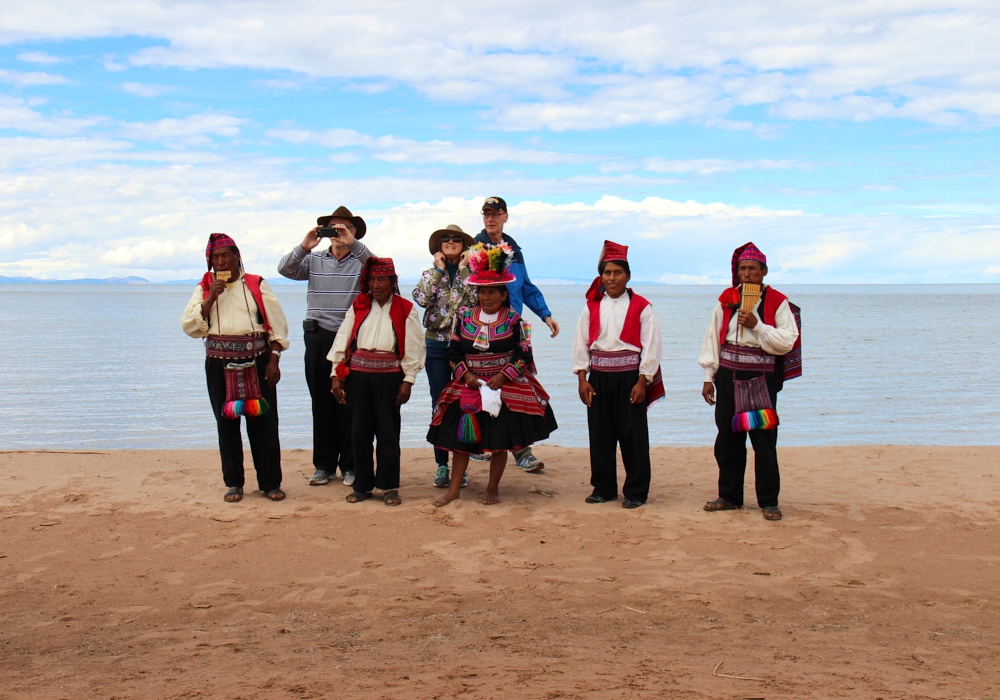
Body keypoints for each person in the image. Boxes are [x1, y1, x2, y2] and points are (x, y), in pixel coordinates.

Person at [426, 243, 558, 507]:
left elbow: (524, 355)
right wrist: (465, 376)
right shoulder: (464, 318)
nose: (487, 297)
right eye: (482, 292)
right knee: (461, 441)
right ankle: (454, 490)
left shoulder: (516, 321)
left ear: (502, 294)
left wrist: (504, 376)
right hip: (470, 384)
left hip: (502, 387)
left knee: (499, 442)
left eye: (492, 292)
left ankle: (492, 489)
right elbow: (452, 352)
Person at [181, 233, 291, 503]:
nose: (220, 262)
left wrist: (275, 358)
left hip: (258, 361)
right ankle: (234, 483)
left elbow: (277, 324)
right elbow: (189, 326)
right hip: (218, 363)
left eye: (225, 256)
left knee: (264, 423)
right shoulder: (204, 287)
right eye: (215, 258)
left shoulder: (256, 284)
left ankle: (269, 482)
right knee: (226, 425)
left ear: (237, 257)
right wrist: (209, 299)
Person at [698, 242, 801, 521]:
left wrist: (757, 325)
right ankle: (730, 496)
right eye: (742, 269)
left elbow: (786, 342)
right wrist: (709, 377)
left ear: (764, 272)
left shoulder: (778, 302)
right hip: (727, 377)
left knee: (763, 441)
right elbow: (712, 340)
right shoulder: (726, 299)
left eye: (753, 269)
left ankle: (769, 501)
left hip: (760, 380)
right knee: (728, 440)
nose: (747, 274)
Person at [277, 206, 374, 488]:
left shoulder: (361, 261)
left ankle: (351, 464)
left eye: (345, 228)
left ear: (355, 233)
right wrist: (305, 244)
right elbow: (285, 269)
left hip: (352, 339)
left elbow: (381, 269)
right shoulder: (314, 259)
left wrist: (353, 244)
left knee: (351, 402)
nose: (338, 233)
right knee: (321, 402)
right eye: (333, 227)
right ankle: (324, 465)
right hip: (317, 336)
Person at [572, 241, 664, 509]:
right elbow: (580, 343)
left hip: (629, 378)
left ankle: (636, 492)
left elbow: (652, 345)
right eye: (607, 273)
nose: (612, 278)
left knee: (632, 434)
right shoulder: (591, 307)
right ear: (601, 276)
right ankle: (603, 488)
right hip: (599, 377)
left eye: (617, 273)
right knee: (600, 434)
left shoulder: (642, 307)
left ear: (628, 276)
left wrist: (643, 380)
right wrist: (582, 378)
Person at [329, 257, 425, 506]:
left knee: (388, 434)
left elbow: (414, 347)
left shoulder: (405, 308)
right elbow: (343, 339)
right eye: (372, 279)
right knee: (358, 433)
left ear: (393, 282)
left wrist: (408, 380)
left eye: (382, 279)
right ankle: (362, 486)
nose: (376, 284)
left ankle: (389, 486)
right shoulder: (359, 305)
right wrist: (335, 376)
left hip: (389, 379)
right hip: (358, 378)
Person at [473, 196, 558, 473]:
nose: (490, 219)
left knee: (518, 387)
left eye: (495, 214)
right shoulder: (474, 248)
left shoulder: (515, 251)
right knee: (480, 387)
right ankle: (480, 448)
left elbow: (526, 288)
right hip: (482, 332)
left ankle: (522, 452)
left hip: (512, 329)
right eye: (486, 214)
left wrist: (545, 315)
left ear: (505, 217)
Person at [412, 224, 478, 488]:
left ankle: (462, 467)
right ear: (438, 246)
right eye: (446, 239)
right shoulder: (430, 273)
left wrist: (463, 269)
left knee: (466, 403)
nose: (451, 242)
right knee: (439, 402)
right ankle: (442, 466)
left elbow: (477, 300)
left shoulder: (473, 274)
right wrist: (440, 271)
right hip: (437, 346)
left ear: (465, 246)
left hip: (464, 346)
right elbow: (421, 298)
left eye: (456, 239)